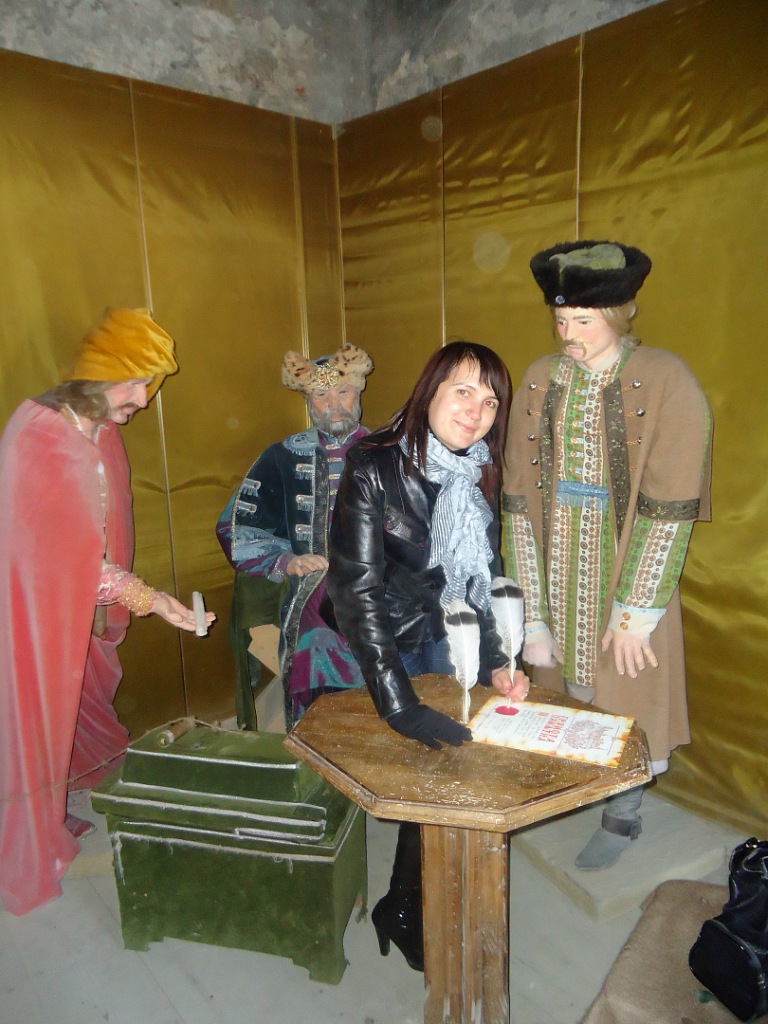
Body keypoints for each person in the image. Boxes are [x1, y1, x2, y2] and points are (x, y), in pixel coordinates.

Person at [502, 240, 712, 870]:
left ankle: (623, 813)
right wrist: (529, 616)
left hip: (626, 563)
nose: (569, 334)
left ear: (618, 315)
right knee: (567, 685)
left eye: (584, 321)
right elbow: (517, 496)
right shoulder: (541, 377)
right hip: (556, 558)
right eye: (561, 319)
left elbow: (670, 501)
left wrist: (636, 611)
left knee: (628, 691)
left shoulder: (666, 377)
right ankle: (577, 786)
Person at [0, 306, 215, 916]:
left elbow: (102, 529)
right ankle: (28, 840)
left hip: (83, 605)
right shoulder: (41, 436)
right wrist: (151, 600)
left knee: (76, 708)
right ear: (99, 374)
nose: (144, 400)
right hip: (38, 613)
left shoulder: (101, 427)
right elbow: (54, 557)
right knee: (37, 722)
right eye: (136, 383)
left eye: (150, 384)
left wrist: (129, 596)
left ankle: (57, 802)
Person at [326, 340, 530, 972]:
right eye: (462, 391)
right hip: (390, 639)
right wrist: (398, 704)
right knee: (428, 777)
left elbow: (483, 572)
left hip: (454, 633)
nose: (476, 412)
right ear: (429, 392)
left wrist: (499, 657)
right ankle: (407, 908)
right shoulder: (374, 465)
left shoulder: (475, 469)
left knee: (454, 775)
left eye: (490, 401)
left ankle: (408, 902)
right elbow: (356, 591)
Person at [216, 343, 373, 728]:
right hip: (312, 592)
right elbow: (236, 525)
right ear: (308, 402)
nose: (333, 404)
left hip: (381, 590)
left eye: (342, 391)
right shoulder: (283, 456)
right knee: (318, 643)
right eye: (321, 395)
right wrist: (286, 560)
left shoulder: (387, 451)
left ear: (358, 392)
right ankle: (318, 738)